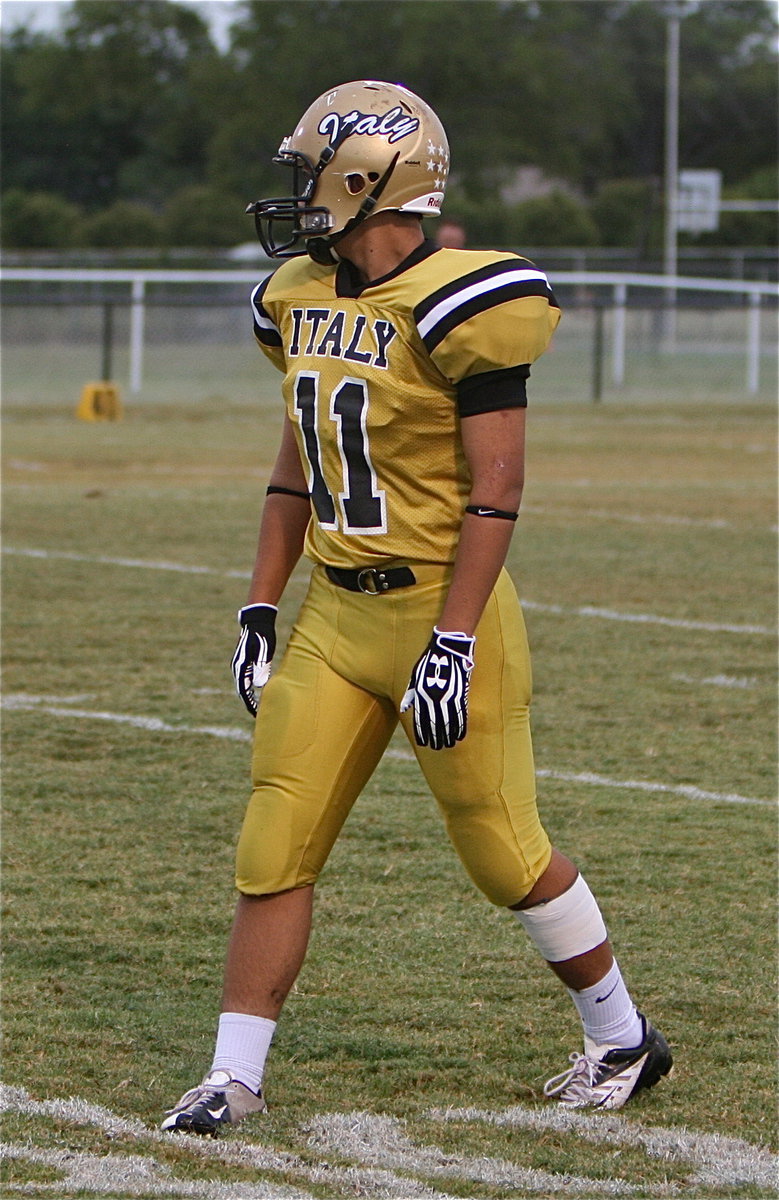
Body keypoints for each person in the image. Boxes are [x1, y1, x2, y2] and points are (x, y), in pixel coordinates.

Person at [161, 80, 672, 1135]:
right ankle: (231, 1075)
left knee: (504, 856)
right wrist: (260, 607)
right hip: (332, 618)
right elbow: (292, 473)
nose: (300, 198)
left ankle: (620, 1035)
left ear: (368, 181)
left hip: (445, 612)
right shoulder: (301, 295)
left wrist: (450, 640)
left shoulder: (466, 302)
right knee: (274, 843)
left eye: (311, 175)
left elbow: (498, 488)